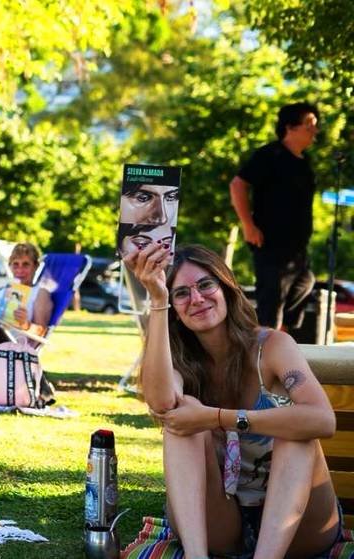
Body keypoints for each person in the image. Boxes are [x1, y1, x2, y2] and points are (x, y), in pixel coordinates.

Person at [126, 243, 339, 558]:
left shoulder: (272, 346)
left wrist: (216, 417)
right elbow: (161, 405)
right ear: (174, 308)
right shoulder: (180, 359)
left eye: (205, 285)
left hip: (300, 521)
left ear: (226, 288)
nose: (197, 298)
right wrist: (157, 301)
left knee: (296, 433)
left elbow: (323, 420)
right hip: (225, 518)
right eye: (181, 293)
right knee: (182, 425)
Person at [230, 102, 319, 330]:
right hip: (271, 244)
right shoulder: (270, 154)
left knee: (305, 284)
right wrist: (248, 225)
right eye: (309, 124)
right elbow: (238, 185)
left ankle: (283, 344)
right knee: (272, 305)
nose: (314, 130)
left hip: (298, 249)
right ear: (290, 127)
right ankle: (264, 350)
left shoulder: (305, 162)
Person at [0, 243, 53, 339]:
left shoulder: (39, 293)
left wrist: (25, 324)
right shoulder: (5, 289)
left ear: (36, 266)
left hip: (2, 340)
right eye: (15, 264)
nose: (20, 270)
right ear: (10, 266)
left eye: (25, 264)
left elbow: (41, 331)